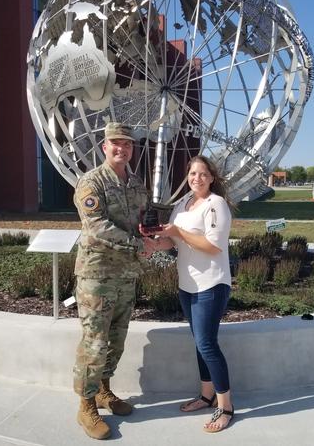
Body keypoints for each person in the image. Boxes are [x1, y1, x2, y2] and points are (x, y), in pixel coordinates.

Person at [72, 122, 154, 440]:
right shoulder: (90, 182)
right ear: (105, 147)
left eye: (128, 144)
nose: (122, 148)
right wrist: (138, 245)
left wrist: (155, 234)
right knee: (94, 343)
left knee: (116, 340)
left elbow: (144, 219)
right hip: (97, 275)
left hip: (125, 275)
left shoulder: (135, 183)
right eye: (116, 143)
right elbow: (97, 226)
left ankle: (105, 390)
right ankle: (86, 405)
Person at [151, 155, 234, 433]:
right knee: (200, 343)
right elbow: (173, 243)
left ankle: (226, 407)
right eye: (192, 173)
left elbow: (212, 246)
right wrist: (152, 242)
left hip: (211, 284)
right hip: (187, 285)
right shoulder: (181, 205)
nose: (196, 178)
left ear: (212, 178)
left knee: (208, 345)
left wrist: (178, 232)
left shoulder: (216, 204)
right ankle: (207, 396)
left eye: (202, 174)